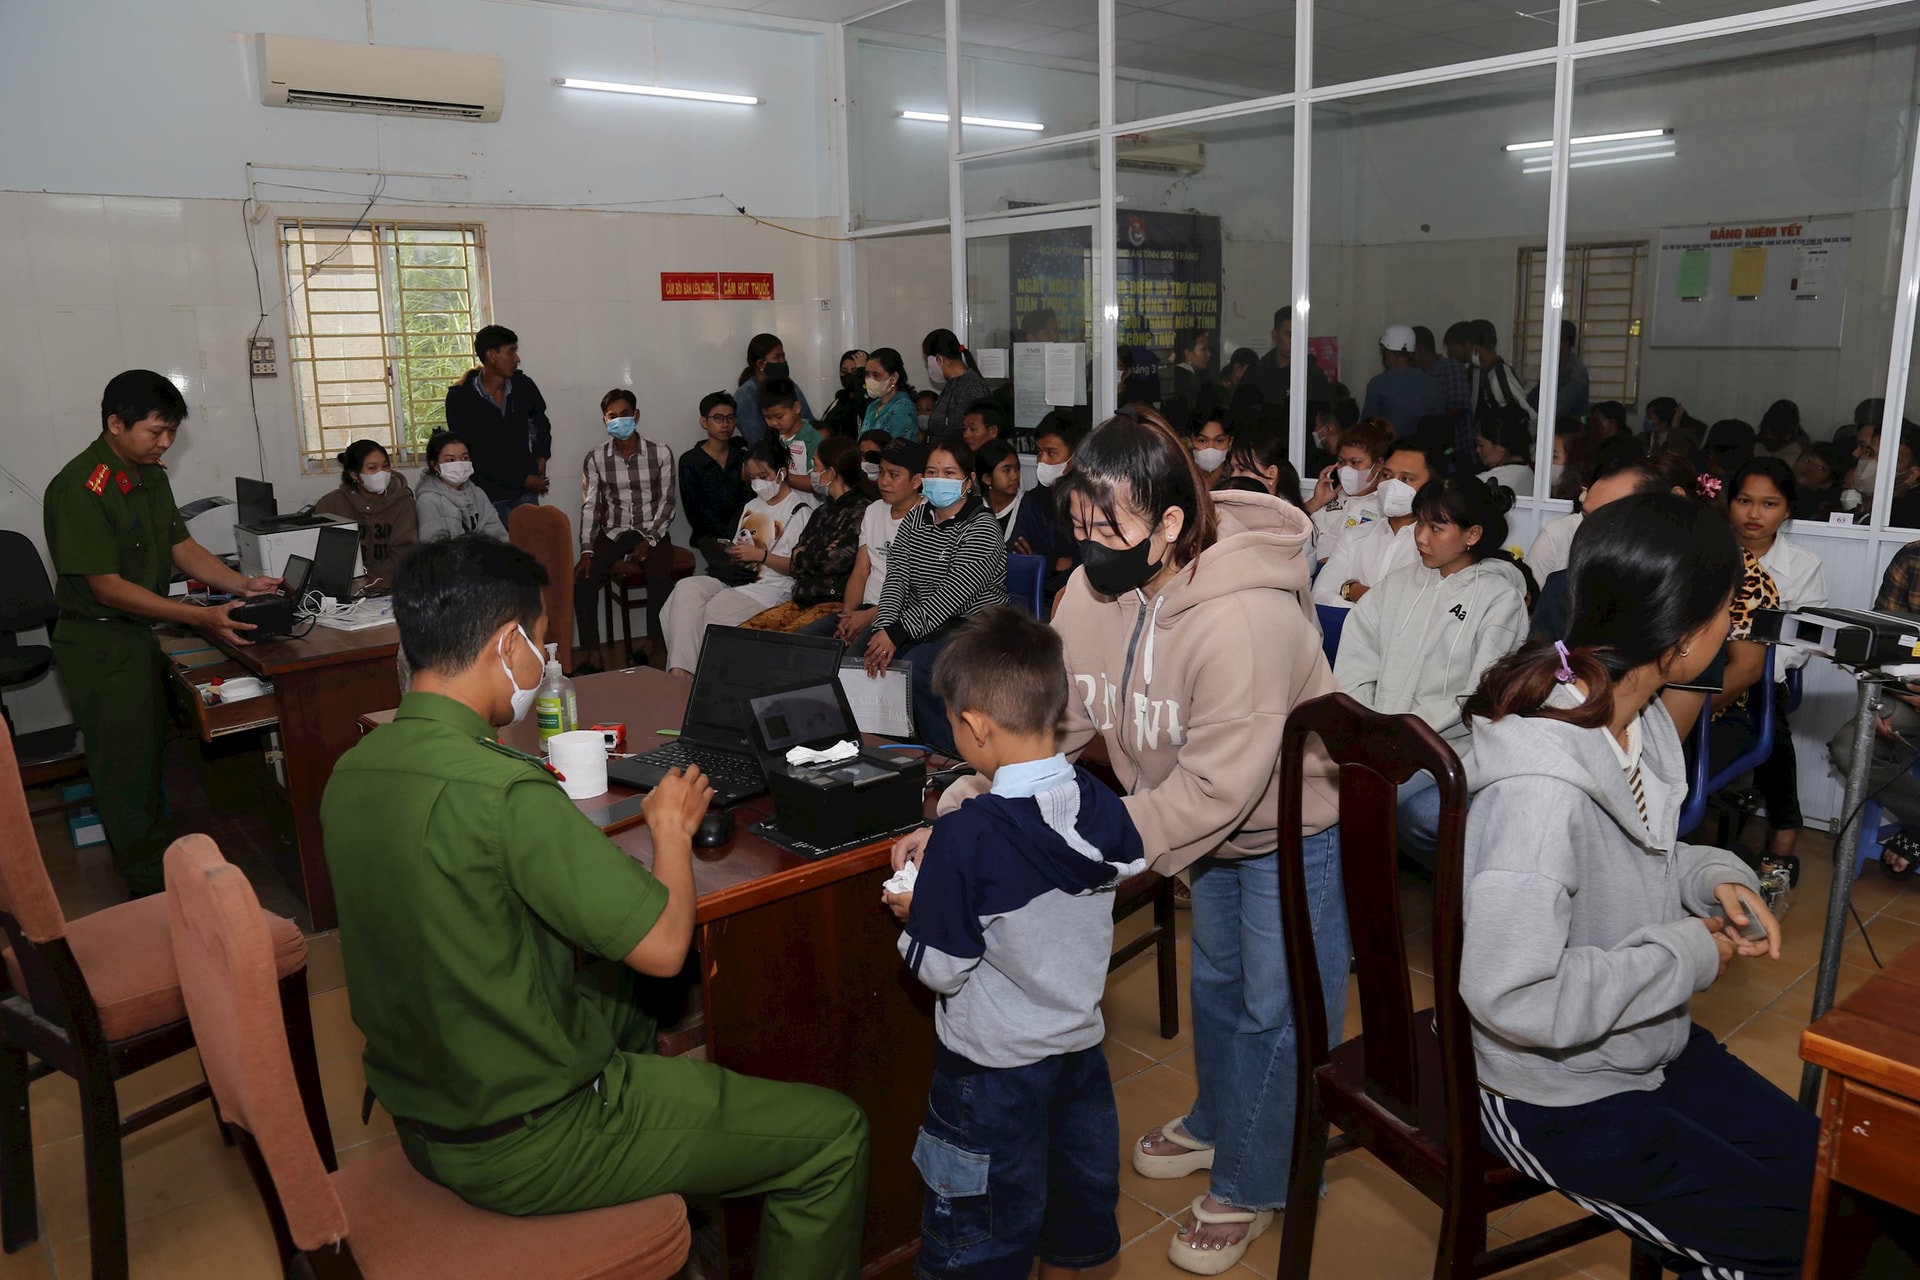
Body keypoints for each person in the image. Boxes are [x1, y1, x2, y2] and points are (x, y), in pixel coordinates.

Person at [322, 534, 869, 1273]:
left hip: (424, 1112)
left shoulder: (353, 770)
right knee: (833, 1136)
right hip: (528, 1140)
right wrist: (670, 832)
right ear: (504, 645)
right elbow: (667, 944)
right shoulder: (506, 791)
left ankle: (685, 1183)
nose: (542, 664)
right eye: (540, 644)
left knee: (623, 988)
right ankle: (651, 1154)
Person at [1005, 411, 1345, 1273]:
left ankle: (1254, 1180)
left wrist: (1101, 841)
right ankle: (1220, 1120)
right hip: (1193, 829)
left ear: (1166, 525)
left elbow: (1219, 786)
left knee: (1279, 1009)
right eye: (1077, 525)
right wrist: (996, 784)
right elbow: (1067, 719)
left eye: (1109, 526)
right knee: (1219, 984)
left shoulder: (1244, 619)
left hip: (1285, 829)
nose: (1089, 549)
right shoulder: (1087, 594)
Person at [1459, 494, 1814, 1280]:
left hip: (1644, 1041)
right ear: (1684, 638)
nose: (1734, 629)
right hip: (1554, 1096)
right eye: (1730, 612)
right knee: (1783, 1249)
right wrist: (1688, 951)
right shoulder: (1539, 790)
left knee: (1827, 1187)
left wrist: (1717, 877)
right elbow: (1513, 996)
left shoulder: (1639, 717)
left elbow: (1643, 854)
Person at [883, 608, 1143, 1279]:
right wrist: (952, 835)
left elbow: (939, 968)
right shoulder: (1101, 803)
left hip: (990, 1076)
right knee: (1072, 1218)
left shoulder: (972, 842)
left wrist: (920, 905)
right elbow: (1040, 850)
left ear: (974, 727)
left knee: (976, 1240)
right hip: (1079, 1053)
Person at [44, 370, 281, 896]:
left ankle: (161, 862)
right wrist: (198, 616)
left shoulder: (149, 475)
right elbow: (106, 587)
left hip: (135, 636)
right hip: (99, 642)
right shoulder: (81, 489)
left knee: (149, 756)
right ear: (115, 424)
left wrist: (243, 584)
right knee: (123, 769)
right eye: (155, 431)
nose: (165, 443)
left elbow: (183, 548)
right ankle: (151, 889)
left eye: (172, 431)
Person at [1335, 476, 1532, 863]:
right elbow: (1356, 661)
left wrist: (1399, 736)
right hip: (1377, 740)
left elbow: (1481, 695)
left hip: (1447, 750)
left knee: (1351, 805)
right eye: (1419, 524)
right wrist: (1368, 726)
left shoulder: (1500, 600)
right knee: (1322, 795)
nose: (1420, 538)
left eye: (1436, 528)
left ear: (1473, 534)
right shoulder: (1396, 585)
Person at [862, 438, 1007, 757]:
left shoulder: (982, 527)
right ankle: (887, 749)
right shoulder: (916, 518)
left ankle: (945, 755)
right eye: (932, 471)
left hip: (974, 627)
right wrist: (883, 628)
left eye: (950, 472)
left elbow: (951, 596)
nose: (939, 479)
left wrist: (897, 634)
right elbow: (896, 575)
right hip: (924, 623)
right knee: (862, 651)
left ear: (968, 481)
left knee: (917, 666)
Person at [1729, 458, 1826, 863]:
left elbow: (1805, 641)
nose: (1754, 514)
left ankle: (1785, 827)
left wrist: (1753, 665)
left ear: (1787, 510)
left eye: (1769, 504)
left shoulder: (1803, 565)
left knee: (1768, 720)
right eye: (1744, 500)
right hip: (1700, 664)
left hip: (1765, 674)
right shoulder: (1704, 549)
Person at [660, 436, 814, 676]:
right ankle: (681, 674)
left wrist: (760, 556)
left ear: (781, 473)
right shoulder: (752, 505)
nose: (757, 483)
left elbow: (798, 568)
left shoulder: (799, 512)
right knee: (682, 593)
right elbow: (740, 545)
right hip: (739, 578)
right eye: (752, 477)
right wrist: (735, 553)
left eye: (763, 476)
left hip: (771, 586)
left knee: (712, 611)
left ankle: (687, 678)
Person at [574, 390, 678, 669]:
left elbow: (668, 502)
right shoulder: (595, 458)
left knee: (659, 574)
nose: (619, 420)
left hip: (651, 528)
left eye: (624, 414)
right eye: (612, 416)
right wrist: (586, 550)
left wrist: (651, 538)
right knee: (583, 578)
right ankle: (592, 652)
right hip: (614, 531)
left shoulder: (661, 452)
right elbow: (590, 507)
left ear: (636, 415)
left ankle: (653, 641)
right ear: (604, 420)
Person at [742, 437, 871, 634]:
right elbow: (795, 563)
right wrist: (815, 553)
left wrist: (806, 554)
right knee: (745, 632)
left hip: (832, 601)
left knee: (787, 641)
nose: (812, 473)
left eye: (816, 465)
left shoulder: (861, 511)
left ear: (832, 472)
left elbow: (834, 561)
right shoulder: (821, 511)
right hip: (802, 597)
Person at [806, 438, 926, 647]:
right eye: (881, 472)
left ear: (916, 481)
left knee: (850, 665)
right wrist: (848, 617)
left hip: (897, 616)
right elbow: (861, 571)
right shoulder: (873, 510)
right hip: (862, 608)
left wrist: (869, 616)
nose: (884, 481)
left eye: (893, 475)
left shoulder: (929, 519)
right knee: (800, 643)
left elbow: (920, 592)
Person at [443, 324, 552, 524]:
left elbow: (540, 423)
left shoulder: (523, 386)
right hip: (487, 494)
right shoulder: (461, 398)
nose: (517, 359)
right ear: (492, 355)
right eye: (511, 352)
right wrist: (523, 479)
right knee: (497, 553)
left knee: (527, 550)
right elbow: (473, 452)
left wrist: (541, 456)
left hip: (524, 494)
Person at [1313, 443, 1437, 609]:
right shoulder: (1354, 536)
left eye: (1406, 479)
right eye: (1387, 475)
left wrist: (1351, 590)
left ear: (1432, 485)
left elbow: (1425, 610)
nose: (1393, 485)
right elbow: (1321, 595)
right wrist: (1380, 611)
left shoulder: (1438, 547)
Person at [313, 438, 418, 590]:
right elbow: (324, 556)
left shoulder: (404, 503)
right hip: (344, 591)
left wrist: (372, 581)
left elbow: (405, 552)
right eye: (372, 468)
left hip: (392, 588)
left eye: (385, 467)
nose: (381, 473)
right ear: (354, 475)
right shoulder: (330, 504)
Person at [1011, 412, 1082, 604]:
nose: (1042, 460)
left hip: (1079, 598)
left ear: (1075, 456)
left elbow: (1090, 560)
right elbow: (1018, 556)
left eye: (1051, 453)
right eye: (1039, 452)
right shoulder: (1033, 500)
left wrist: (1043, 561)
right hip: (1038, 597)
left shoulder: (1091, 501)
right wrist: (1053, 564)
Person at [1304, 418, 1395, 565]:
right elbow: (1288, 529)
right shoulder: (1329, 495)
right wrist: (1316, 502)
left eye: (1355, 462)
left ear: (1378, 464)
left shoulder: (1385, 508)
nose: (1346, 469)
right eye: (1341, 462)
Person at [679, 392, 750, 547]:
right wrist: (727, 537)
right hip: (709, 537)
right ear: (704, 422)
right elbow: (696, 510)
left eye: (730, 418)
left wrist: (737, 535)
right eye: (718, 418)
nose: (725, 424)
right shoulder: (690, 461)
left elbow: (749, 502)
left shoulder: (743, 458)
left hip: (743, 535)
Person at [417, 431, 508, 543]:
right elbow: (434, 549)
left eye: (464, 458)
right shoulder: (429, 501)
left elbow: (497, 534)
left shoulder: (477, 493)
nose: (459, 464)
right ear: (434, 465)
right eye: (450, 460)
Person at [1245, 306, 1333, 421]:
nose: (1296, 341)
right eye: (1290, 335)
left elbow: (1324, 417)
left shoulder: (1313, 375)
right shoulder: (1257, 373)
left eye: (1300, 335)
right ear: (1274, 336)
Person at [1360, 324, 1445, 437]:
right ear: (1411, 353)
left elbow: (1367, 427)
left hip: (1391, 451)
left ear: (1387, 351)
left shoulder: (1378, 383)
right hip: (1423, 452)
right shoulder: (1433, 383)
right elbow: (1440, 425)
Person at [734, 333, 814, 447]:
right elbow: (757, 438)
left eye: (783, 356)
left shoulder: (790, 386)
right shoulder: (745, 395)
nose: (783, 361)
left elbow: (808, 421)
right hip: (768, 457)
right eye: (777, 357)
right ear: (761, 364)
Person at [922, 329, 992, 442]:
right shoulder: (953, 384)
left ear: (939, 359)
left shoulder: (971, 387)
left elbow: (969, 435)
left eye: (927, 360)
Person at [1468, 319, 1534, 432]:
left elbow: (1525, 415)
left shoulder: (1498, 378)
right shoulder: (1487, 374)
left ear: (1475, 348)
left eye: (1467, 346)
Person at [762, 378, 825, 493]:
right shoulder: (768, 438)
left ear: (796, 408)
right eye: (768, 417)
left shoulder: (813, 439)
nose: (773, 423)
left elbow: (818, 483)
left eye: (779, 416)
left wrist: (781, 476)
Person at [1528, 320, 1589, 419]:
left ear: (1565, 343)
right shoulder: (1556, 367)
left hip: (1571, 429)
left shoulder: (1576, 372)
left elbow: (1558, 409)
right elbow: (1533, 398)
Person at [861, 348, 919, 441]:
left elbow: (891, 447)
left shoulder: (903, 407)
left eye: (876, 375)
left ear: (894, 378)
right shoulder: (873, 406)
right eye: (867, 374)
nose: (869, 379)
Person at [1166, 326, 1217, 429]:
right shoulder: (1187, 381)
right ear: (1188, 354)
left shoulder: (1185, 376)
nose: (1209, 354)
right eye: (1203, 349)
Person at [975, 439, 1025, 542]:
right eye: (1006, 470)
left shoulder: (1028, 508)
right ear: (987, 478)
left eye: (1017, 468)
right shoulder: (974, 510)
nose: (1015, 476)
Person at [1476, 417, 1536, 495]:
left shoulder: (1485, 482)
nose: (1477, 450)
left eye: (1481, 445)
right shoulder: (1528, 472)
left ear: (1501, 447)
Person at [819, 348, 871, 439]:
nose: (849, 375)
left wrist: (862, 373)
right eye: (844, 371)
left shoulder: (872, 402)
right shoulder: (840, 399)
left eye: (855, 372)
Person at [1549, 416, 1596, 502]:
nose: (1548, 462)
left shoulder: (1580, 499)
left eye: (1554, 456)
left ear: (1572, 461)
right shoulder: (1538, 492)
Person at [1792, 444, 1844, 521]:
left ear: (1827, 483)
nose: (1810, 467)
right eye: (1808, 460)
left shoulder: (1822, 514)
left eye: (1821, 468)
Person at [1185, 407, 1233, 490]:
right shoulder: (1181, 480)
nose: (1211, 448)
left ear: (1230, 443)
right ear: (1189, 442)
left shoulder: (1236, 480)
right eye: (1202, 441)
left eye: (1219, 441)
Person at [1755, 399, 1809, 466]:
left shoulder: (1799, 450)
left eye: (1775, 434)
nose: (1770, 436)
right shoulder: (1757, 443)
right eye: (1766, 433)